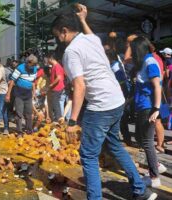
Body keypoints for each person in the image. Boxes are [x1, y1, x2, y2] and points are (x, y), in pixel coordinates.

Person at [52, 4, 155, 200]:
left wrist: (72, 121)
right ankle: (139, 189)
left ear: (64, 31)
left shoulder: (71, 52)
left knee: (88, 156)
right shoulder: (91, 39)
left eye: (58, 35)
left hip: (100, 106)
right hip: (116, 100)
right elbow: (90, 35)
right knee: (115, 146)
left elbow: (79, 86)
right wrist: (83, 19)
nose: (59, 39)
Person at [131, 36, 166, 188]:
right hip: (142, 106)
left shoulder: (149, 61)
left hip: (148, 107)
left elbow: (157, 86)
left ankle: (154, 177)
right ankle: (156, 166)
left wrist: (156, 109)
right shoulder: (145, 61)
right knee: (141, 137)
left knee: (147, 141)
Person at [6, 54, 38, 135]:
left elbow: (33, 82)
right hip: (19, 93)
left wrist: (34, 93)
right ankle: (19, 131)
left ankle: (29, 130)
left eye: (34, 65)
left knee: (29, 113)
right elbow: (12, 81)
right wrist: (8, 94)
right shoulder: (20, 68)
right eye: (32, 65)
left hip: (28, 93)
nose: (33, 66)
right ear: (28, 62)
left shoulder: (34, 69)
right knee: (19, 113)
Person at [47, 52, 65, 122]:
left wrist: (52, 84)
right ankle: (58, 118)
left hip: (57, 88)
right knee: (55, 103)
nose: (47, 61)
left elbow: (58, 78)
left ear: (51, 58)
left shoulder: (57, 66)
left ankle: (59, 119)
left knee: (56, 103)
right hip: (55, 88)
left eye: (48, 59)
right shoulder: (54, 66)